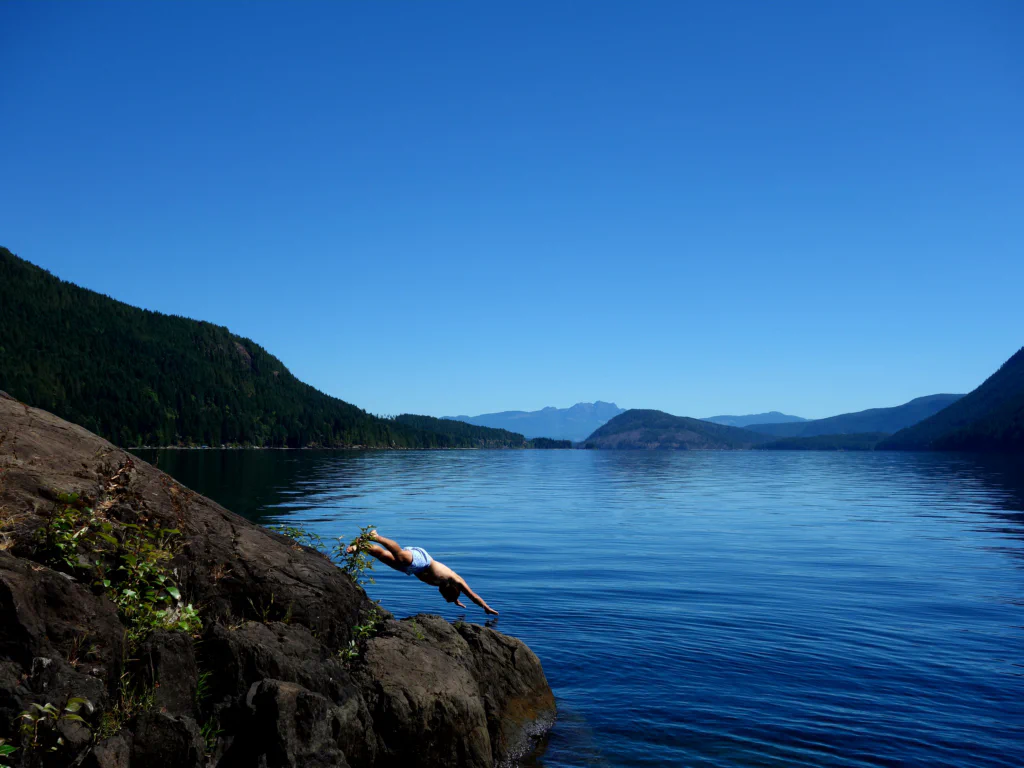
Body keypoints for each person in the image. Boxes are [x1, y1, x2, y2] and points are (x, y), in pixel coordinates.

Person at [349, 530, 498, 615]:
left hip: (412, 569)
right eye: (446, 596)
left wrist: (455, 601)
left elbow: (453, 597)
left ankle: (360, 546)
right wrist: (485, 607)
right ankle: (376, 536)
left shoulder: (448, 590)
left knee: (382, 556)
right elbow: (473, 596)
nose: (442, 595)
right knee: (400, 556)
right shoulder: (455, 580)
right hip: (423, 560)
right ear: (451, 590)